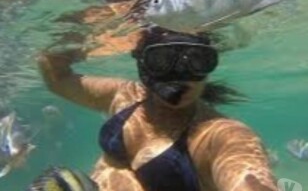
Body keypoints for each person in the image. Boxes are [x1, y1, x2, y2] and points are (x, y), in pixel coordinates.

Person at [37, 26, 278, 191]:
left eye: (196, 60)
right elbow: (56, 78)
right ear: (143, 65)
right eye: (161, 60)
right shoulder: (126, 95)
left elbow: (245, 171)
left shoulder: (221, 135)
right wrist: (81, 29)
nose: (181, 77)